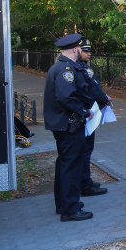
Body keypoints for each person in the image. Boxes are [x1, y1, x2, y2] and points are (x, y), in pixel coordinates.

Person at [43, 33, 94, 221]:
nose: (83, 51)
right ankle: (70, 209)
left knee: (65, 164)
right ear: (75, 49)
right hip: (69, 125)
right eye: (81, 47)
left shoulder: (60, 67)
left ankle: (64, 203)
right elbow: (66, 97)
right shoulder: (66, 69)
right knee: (71, 166)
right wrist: (84, 111)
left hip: (63, 124)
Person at [76, 38, 110, 197]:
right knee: (85, 151)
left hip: (86, 114)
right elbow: (94, 89)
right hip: (85, 115)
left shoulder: (82, 68)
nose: (89, 53)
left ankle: (85, 182)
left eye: (90, 51)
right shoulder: (80, 69)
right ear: (77, 50)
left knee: (86, 151)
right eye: (86, 51)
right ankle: (85, 184)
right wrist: (105, 99)